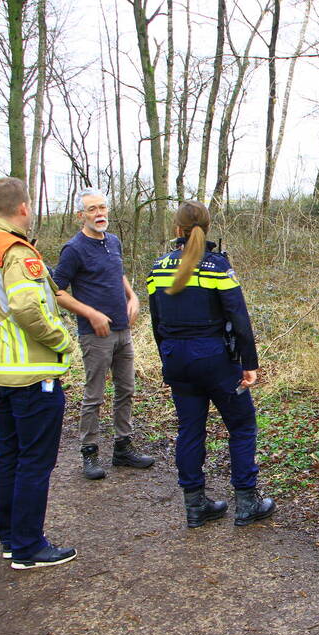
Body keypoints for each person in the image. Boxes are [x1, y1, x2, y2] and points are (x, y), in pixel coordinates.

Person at [0, 177, 77, 570]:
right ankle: (29, 547)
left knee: (9, 454)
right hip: (31, 372)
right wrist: (61, 338)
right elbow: (27, 308)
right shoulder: (16, 251)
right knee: (35, 461)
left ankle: (11, 538)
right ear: (24, 207)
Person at [147, 200, 275, 528]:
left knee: (190, 429)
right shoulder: (217, 267)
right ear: (207, 228)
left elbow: (157, 321)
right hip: (215, 359)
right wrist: (249, 362)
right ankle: (246, 501)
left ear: (177, 230)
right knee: (242, 425)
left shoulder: (158, 268)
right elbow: (238, 317)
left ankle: (195, 505)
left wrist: (167, 362)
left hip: (178, 360)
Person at [52, 188, 154, 480]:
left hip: (123, 331)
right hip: (95, 335)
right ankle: (90, 452)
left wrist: (132, 297)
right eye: (92, 209)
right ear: (80, 215)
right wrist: (91, 314)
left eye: (102, 207)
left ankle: (122, 448)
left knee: (126, 390)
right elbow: (57, 291)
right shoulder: (73, 249)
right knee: (94, 395)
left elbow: (117, 272)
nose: (99, 214)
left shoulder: (113, 242)